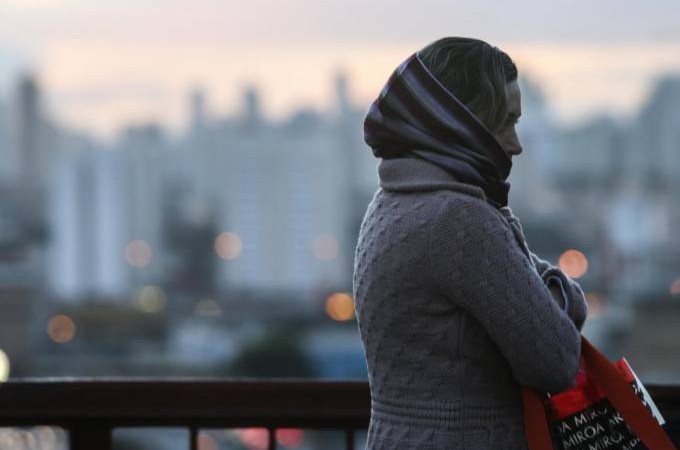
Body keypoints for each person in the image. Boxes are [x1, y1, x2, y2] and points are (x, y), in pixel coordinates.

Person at [353, 37, 589, 449]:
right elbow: (557, 362)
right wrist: (560, 293)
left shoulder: (389, 203)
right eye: (506, 122)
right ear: (463, 123)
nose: (515, 144)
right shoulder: (460, 219)